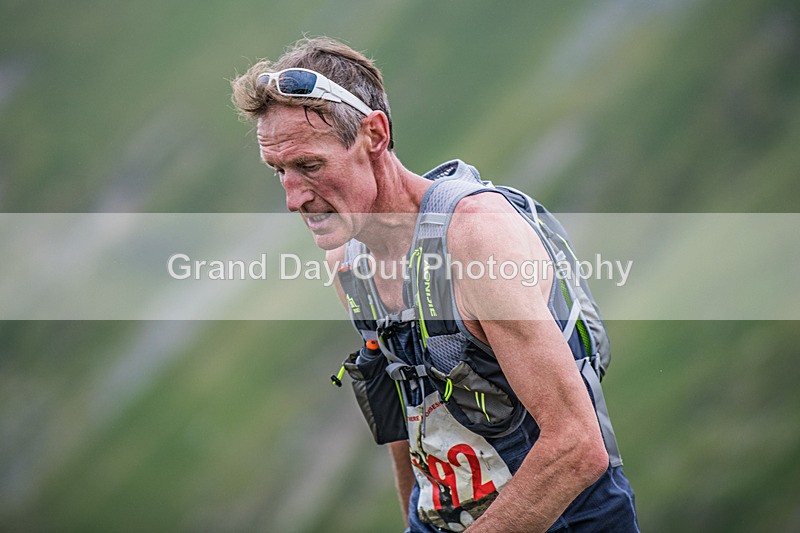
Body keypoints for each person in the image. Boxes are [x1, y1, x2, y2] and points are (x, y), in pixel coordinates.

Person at [231, 37, 639, 532]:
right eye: (279, 171)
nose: (294, 200)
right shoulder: (350, 264)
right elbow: (409, 419)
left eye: (310, 166)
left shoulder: (474, 237)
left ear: (374, 135)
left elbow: (577, 445)